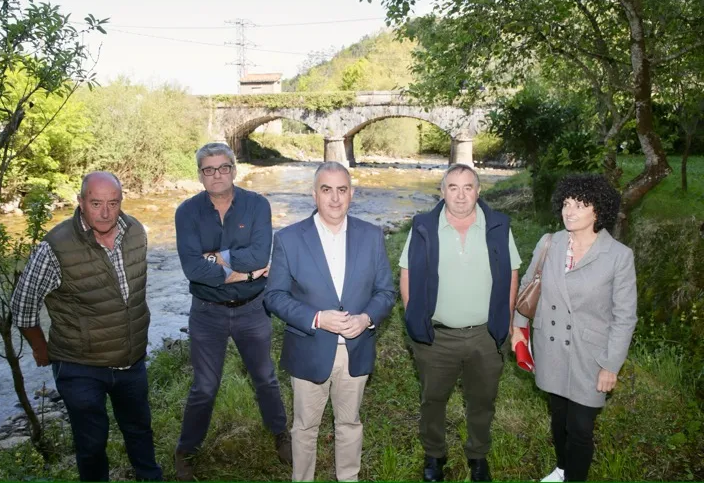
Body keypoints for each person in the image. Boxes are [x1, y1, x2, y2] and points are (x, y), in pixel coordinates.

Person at [11, 171, 163, 482]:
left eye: (113, 203)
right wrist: (42, 350)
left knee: (140, 430)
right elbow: (23, 306)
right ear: (80, 202)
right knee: (91, 444)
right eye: (96, 203)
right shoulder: (54, 247)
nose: (106, 212)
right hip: (81, 365)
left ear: (121, 202)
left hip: (131, 361)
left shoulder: (136, 231)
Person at [265, 161, 396, 482]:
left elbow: (386, 291)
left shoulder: (372, 235)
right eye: (327, 190)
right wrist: (317, 318)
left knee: (349, 424)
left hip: (356, 348)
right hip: (309, 349)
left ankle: (348, 478)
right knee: (305, 428)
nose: (335, 199)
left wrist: (366, 318)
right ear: (314, 194)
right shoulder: (289, 239)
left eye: (342, 190)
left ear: (351, 193)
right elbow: (274, 296)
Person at [174, 142, 291, 480]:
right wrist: (244, 270)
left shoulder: (257, 205)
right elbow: (193, 269)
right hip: (206, 313)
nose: (217, 175)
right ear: (199, 175)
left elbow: (259, 255)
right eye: (208, 169)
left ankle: (280, 434)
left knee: (266, 378)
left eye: (223, 167)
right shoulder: (186, 212)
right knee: (204, 386)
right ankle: (186, 450)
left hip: (252, 310)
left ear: (234, 170)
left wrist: (217, 257)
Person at [400, 163, 521, 482]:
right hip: (436, 336)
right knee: (433, 399)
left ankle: (478, 456)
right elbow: (407, 274)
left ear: (479, 191)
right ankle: (434, 455)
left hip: (485, 335)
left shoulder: (498, 225)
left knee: (482, 401)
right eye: (452, 187)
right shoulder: (423, 226)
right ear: (442, 191)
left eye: (468, 187)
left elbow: (511, 273)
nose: (460, 194)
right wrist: (414, 316)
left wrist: (506, 318)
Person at [512, 174, 637, 482]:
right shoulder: (549, 243)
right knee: (559, 418)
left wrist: (611, 365)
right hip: (550, 346)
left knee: (580, 428)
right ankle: (562, 468)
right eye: (567, 203)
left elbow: (625, 316)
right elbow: (528, 286)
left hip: (590, 356)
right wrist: (518, 328)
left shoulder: (618, 256)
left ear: (599, 211)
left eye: (580, 205)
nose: (570, 211)